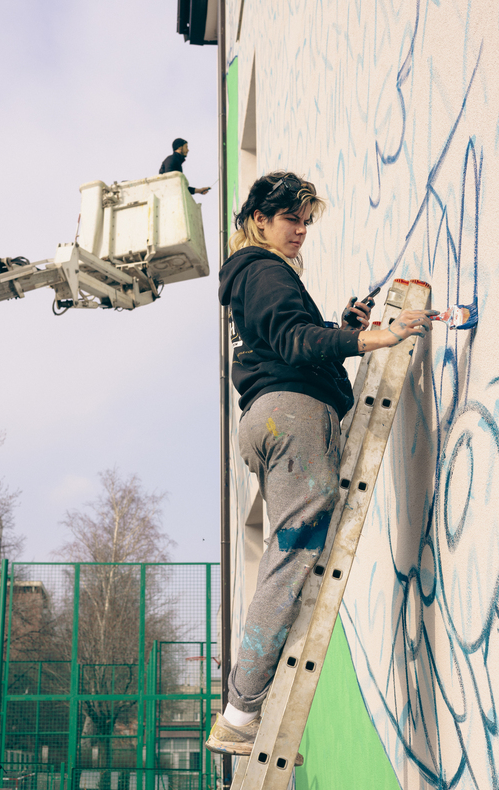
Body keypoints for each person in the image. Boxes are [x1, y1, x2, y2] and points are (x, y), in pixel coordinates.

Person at [206, 171, 437, 758]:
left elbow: (296, 340)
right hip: (292, 416)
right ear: (259, 219)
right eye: (292, 219)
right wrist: (371, 340)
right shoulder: (263, 270)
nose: (301, 231)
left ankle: (242, 706)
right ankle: (239, 713)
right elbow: (294, 341)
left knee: (289, 556)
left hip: (274, 415)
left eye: (307, 220)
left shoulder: (253, 277)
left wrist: (343, 330)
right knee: (292, 560)